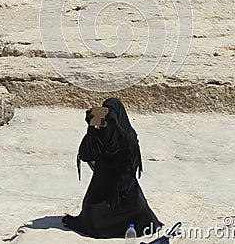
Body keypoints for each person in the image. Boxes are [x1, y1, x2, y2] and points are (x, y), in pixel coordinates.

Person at [62, 98, 163, 238]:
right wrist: (91, 128)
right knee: (93, 223)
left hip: (125, 192)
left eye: (112, 113)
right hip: (101, 192)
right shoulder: (100, 135)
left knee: (139, 215)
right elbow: (85, 154)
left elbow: (129, 154)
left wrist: (116, 125)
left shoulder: (128, 135)